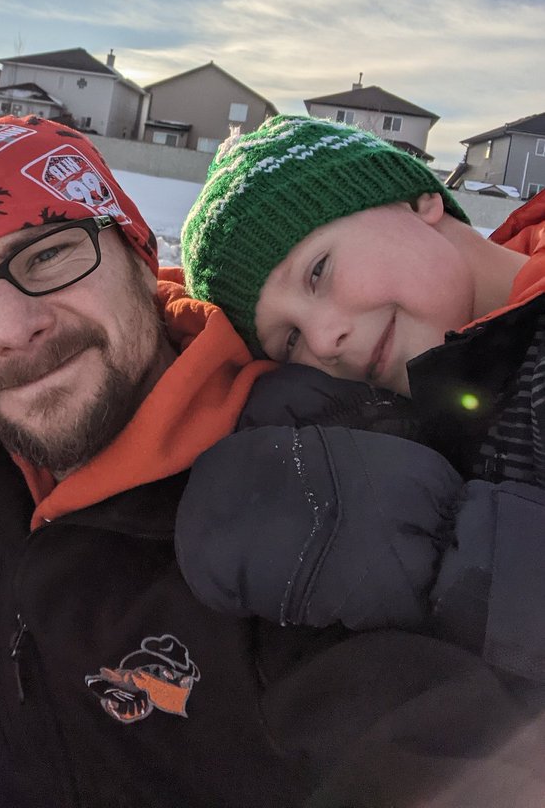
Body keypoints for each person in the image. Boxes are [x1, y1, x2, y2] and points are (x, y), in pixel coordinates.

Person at [0, 113, 545, 808]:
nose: (14, 328)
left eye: (50, 254)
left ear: (142, 263)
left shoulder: (315, 495)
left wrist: (447, 556)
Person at [177, 113, 545, 682]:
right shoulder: (437, 403)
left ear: (420, 201)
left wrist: (441, 546)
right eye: (290, 339)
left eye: (318, 271)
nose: (325, 341)